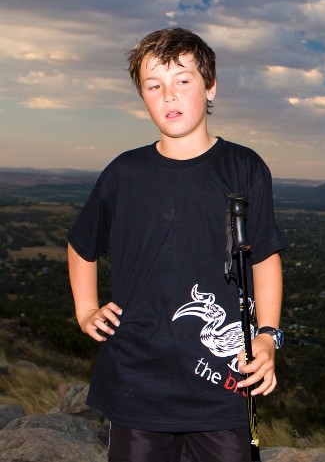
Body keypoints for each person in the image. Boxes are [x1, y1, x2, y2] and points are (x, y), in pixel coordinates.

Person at [67, 27, 286, 462]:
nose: (169, 95)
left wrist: (267, 337)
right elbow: (81, 244)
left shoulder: (244, 167)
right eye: (154, 86)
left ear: (210, 87)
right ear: (142, 96)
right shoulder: (124, 173)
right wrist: (86, 309)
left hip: (222, 384)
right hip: (137, 382)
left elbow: (265, 256)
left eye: (182, 81)